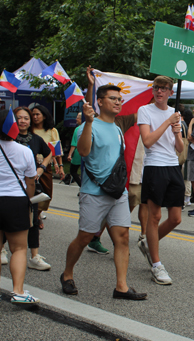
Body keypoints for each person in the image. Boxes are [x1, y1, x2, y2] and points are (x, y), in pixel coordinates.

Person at [60, 85, 147, 300]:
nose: (118, 102)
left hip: (117, 192)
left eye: (120, 99)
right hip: (94, 192)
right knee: (85, 237)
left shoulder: (117, 128)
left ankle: (121, 287)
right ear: (100, 101)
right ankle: (67, 274)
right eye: (113, 98)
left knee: (123, 237)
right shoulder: (87, 126)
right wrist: (88, 122)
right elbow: (83, 152)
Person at [138, 76, 183, 285]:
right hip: (154, 166)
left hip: (173, 166)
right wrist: (167, 122)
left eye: (164, 89)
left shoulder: (175, 113)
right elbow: (147, 141)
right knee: (154, 217)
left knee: (175, 218)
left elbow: (180, 149)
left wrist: (177, 134)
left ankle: (148, 243)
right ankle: (156, 264)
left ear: (170, 92)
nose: (160, 92)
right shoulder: (145, 110)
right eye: (157, 88)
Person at [0, 109, 39, 303]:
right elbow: (30, 181)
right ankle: (18, 291)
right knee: (19, 248)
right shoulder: (25, 151)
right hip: (16, 201)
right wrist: (28, 201)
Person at [12, 106, 53, 270]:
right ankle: (2, 251)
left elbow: (49, 152)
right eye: (19, 117)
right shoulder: (8, 138)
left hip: (30, 186)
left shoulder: (35, 139)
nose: (23, 121)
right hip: (10, 187)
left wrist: (41, 168)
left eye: (26, 118)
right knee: (7, 220)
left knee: (33, 221)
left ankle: (34, 256)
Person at [31, 104, 65, 228]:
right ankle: (35, 217)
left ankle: (37, 213)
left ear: (44, 116)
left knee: (47, 195)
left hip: (46, 167)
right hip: (31, 166)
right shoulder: (29, 130)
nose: (35, 117)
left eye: (37, 114)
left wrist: (60, 166)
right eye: (33, 114)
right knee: (32, 193)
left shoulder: (52, 131)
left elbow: (56, 151)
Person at [67, 112, 82, 187]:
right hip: (87, 152)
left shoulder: (77, 129)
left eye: (77, 117)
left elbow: (74, 143)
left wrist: (70, 154)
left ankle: (81, 185)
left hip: (77, 152)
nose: (76, 119)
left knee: (73, 171)